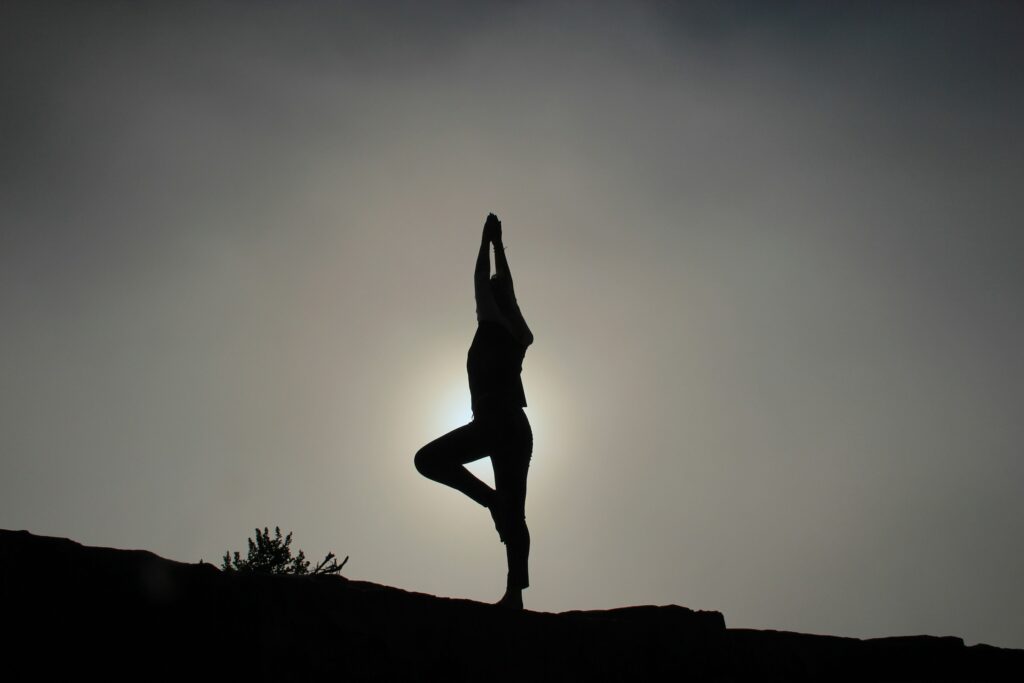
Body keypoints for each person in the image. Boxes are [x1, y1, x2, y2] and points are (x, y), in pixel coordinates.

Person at [414, 212, 535, 610]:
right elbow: (507, 287)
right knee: (516, 511)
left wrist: (486, 243)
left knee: (428, 459)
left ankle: (491, 502)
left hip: (496, 419)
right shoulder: (519, 332)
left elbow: (485, 282)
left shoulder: (493, 322)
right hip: (518, 426)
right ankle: (515, 594)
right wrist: (500, 246)